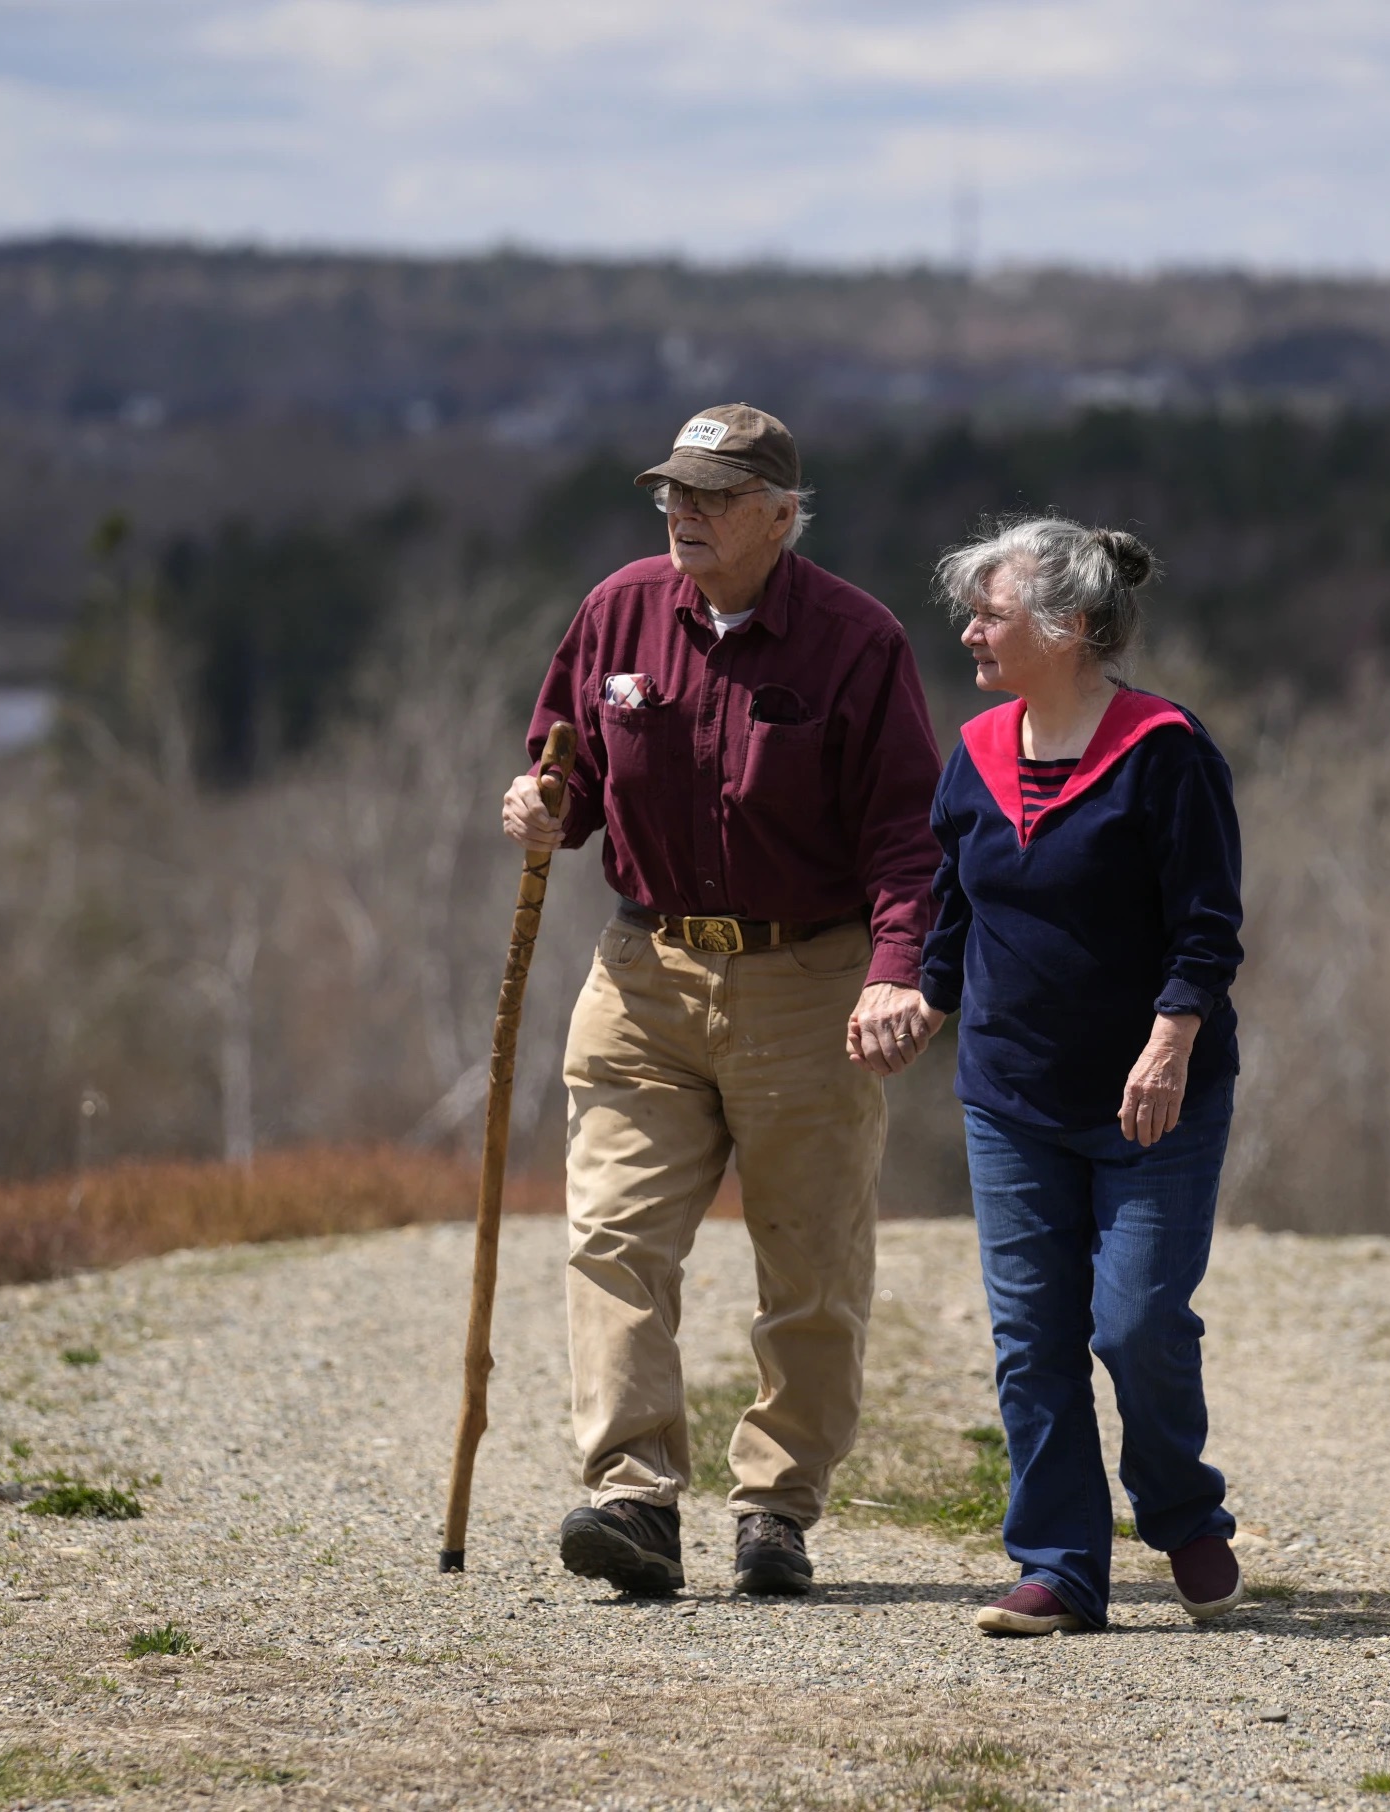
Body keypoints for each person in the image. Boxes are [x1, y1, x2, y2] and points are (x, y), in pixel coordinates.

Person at [500, 403, 944, 1598]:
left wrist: (897, 968)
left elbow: (909, 834)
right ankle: (632, 1500)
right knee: (612, 1239)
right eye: (670, 494)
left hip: (808, 980)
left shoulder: (857, 641)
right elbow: (566, 766)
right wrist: (542, 806)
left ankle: (775, 1511)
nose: (681, 515)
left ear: (781, 517)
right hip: (643, 974)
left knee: (808, 1265)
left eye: (710, 496)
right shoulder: (618, 610)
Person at [909, 517, 1247, 1635]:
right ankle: (1058, 1565)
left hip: (1153, 1094)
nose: (968, 633)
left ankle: (1180, 1508)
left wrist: (1170, 1038)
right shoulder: (973, 751)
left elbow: (1206, 922)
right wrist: (919, 996)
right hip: (1009, 1096)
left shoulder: (1163, 750)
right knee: (1032, 1340)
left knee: (1133, 1321)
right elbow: (949, 902)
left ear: (1071, 627)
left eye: (990, 614)